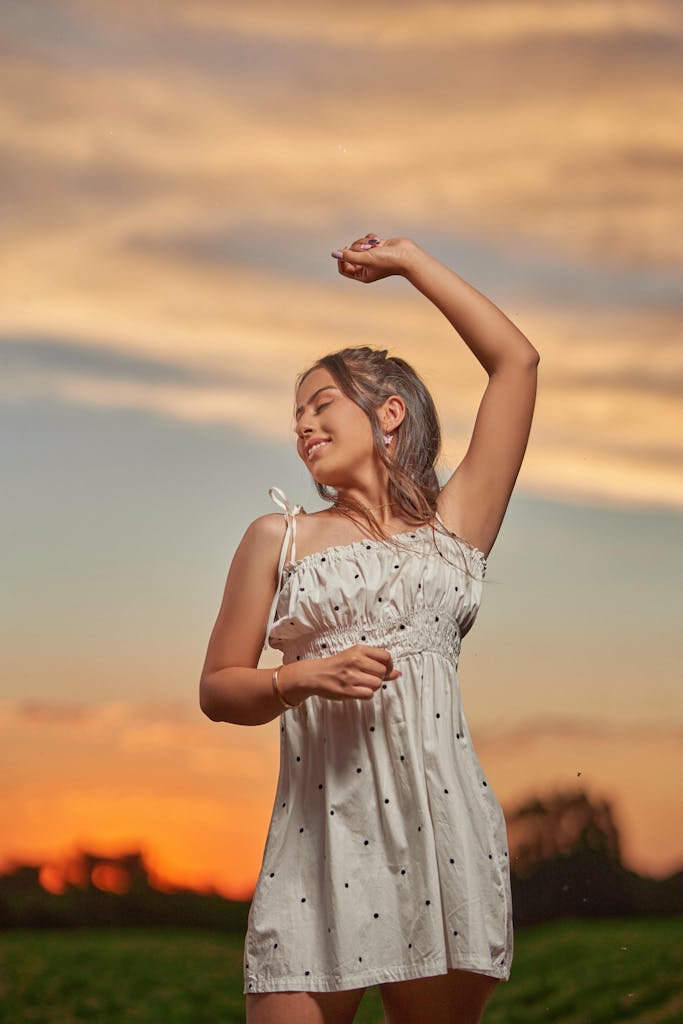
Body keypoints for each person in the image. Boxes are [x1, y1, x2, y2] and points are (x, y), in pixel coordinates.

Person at [199, 233, 540, 1024]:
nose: (304, 428)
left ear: (389, 413)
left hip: (440, 838)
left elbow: (516, 364)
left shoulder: (456, 527)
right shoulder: (274, 539)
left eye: (322, 406)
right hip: (316, 846)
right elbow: (219, 689)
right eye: (296, 419)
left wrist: (411, 264)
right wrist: (300, 677)